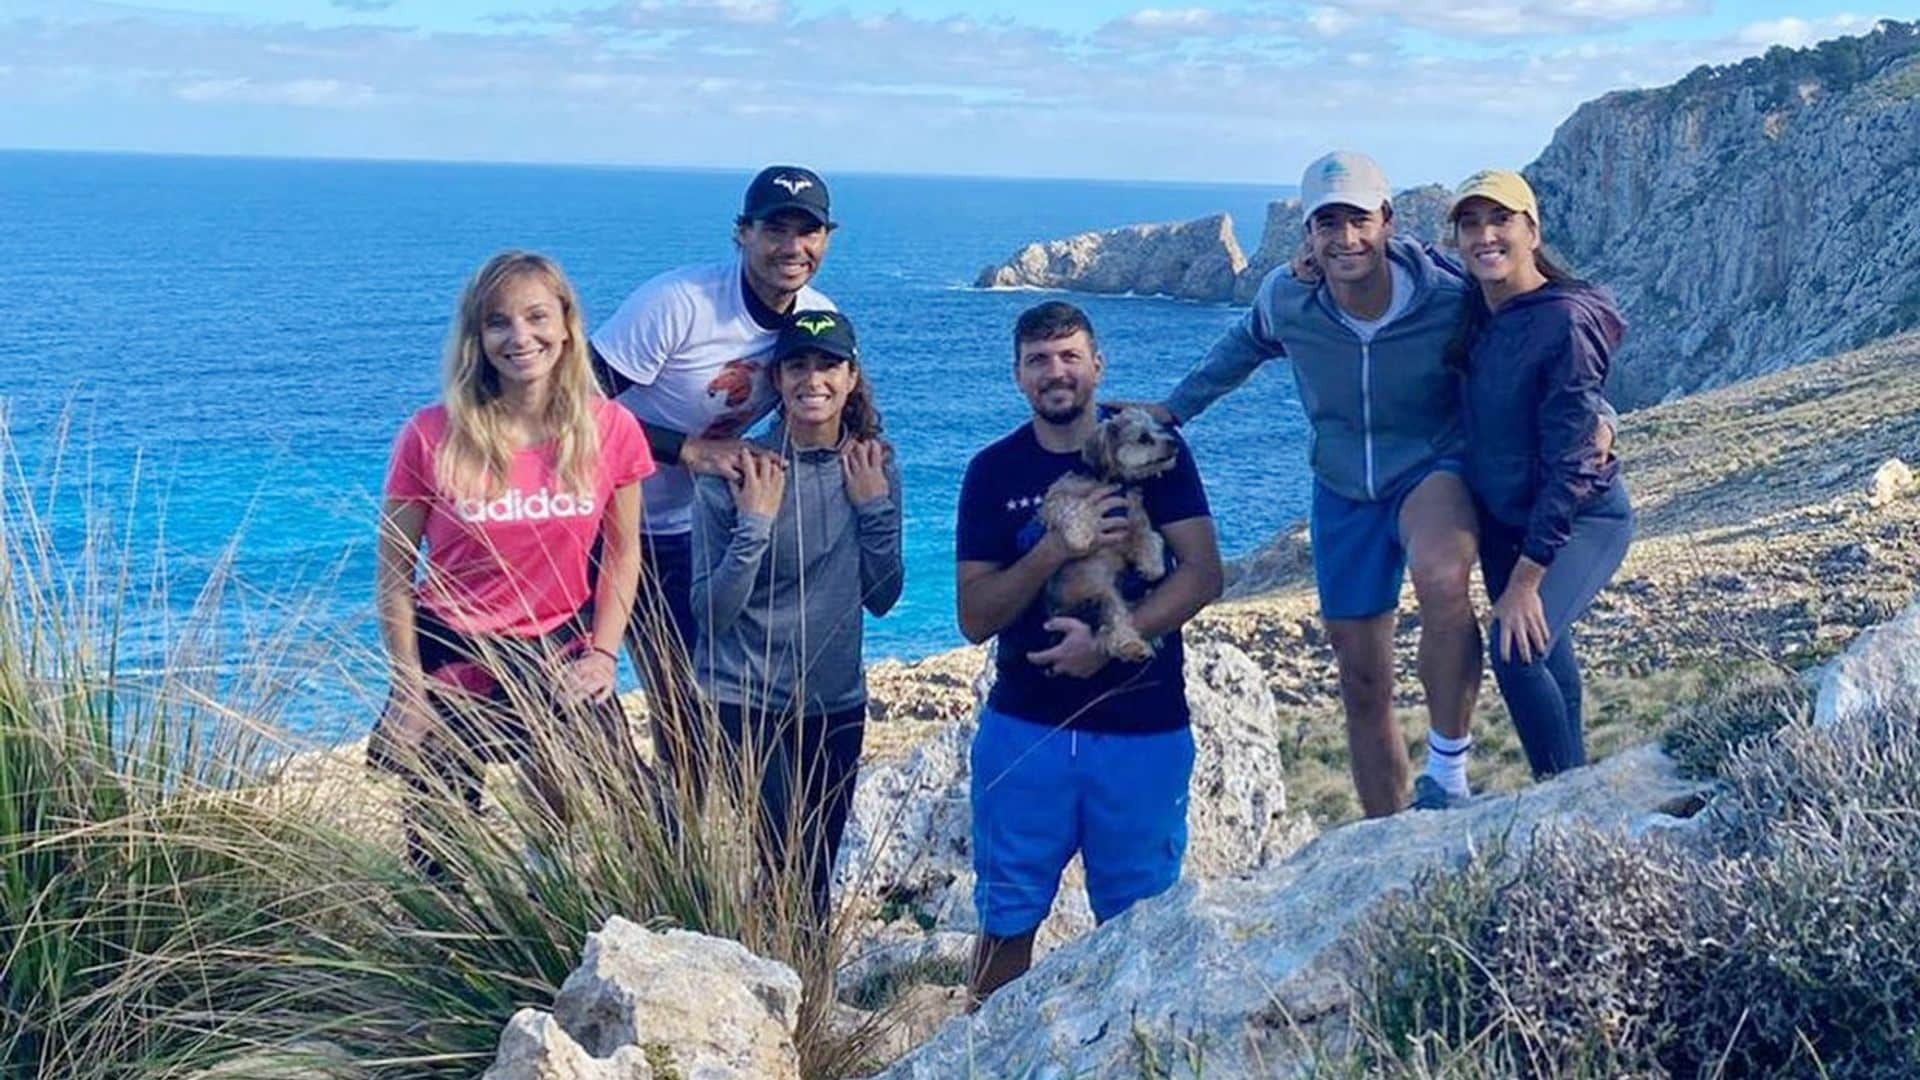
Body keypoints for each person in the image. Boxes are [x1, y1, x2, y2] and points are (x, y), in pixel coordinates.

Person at [1134, 151, 1483, 816]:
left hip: (1430, 466)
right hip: (1342, 488)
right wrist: (1174, 409)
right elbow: (1239, 349)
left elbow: (1528, 339)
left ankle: (1451, 774)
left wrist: (1593, 415)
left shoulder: (1447, 294)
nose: (1345, 239)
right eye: (1328, 224)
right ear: (1309, 236)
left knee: (1442, 576)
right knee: (1360, 677)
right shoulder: (1287, 299)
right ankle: (1388, 832)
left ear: (1387, 221)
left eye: (1358, 220)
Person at [956, 300, 1222, 1004]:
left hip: (1143, 729)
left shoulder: (1157, 450)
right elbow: (975, 618)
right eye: (1039, 360)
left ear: (1098, 365)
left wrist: (1107, 645)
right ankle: (982, 1054)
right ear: (1017, 375)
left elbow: (1202, 572)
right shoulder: (992, 472)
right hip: (1025, 731)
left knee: (1142, 925)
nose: (1056, 372)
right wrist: (1054, 549)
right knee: (1005, 921)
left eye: (1071, 356)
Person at [372, 250, 654, 876]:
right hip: (455, 653)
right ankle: (443, 959)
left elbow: (624, 550)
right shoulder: (429, 435)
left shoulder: (612, 429)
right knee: (436, 851)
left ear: (566, 326)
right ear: (477, 337)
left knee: (636, 808)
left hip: (558, 649)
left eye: (535, 317)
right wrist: (408, 690)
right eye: (498, 322)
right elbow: (394, 575)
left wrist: (604, 653)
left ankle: (547, 887)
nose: (519, 336)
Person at [590, 166, 837, 783]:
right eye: (775, 229)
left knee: (691, 712)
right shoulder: (680, 305)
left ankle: (673, 849)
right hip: (591, 524)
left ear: (827, 239)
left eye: (808, 232)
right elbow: (568, 410)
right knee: (577, 711)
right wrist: (689, 451)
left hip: (683, 534)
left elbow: (824, 410)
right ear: (742, 234)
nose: (792, 247)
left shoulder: (814, 318)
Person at [689, 310, 902, 923]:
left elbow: (884, 597)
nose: (814, 378)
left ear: (852, 376)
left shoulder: (874, 466)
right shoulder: (739, 471)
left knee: (811, 873)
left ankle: (793, 994)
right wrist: (754, 522)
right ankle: (798, 1004)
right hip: (745, 702)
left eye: (829, 364)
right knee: (792, 868)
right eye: (798, 365)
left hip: (835, 702)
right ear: (777, 379)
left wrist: (875, 509)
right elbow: (711, 613)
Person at [1446, 170, 1633, 779]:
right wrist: (1310, 258)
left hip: (1578, 519)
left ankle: (1563, 798)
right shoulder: (1480, 300)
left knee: (1516, 652)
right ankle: (1578, 788)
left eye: (1500, 220)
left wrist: (1527, 577)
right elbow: (1392, 256)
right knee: (1548, 655)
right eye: (1470, 224)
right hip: (1507, 521)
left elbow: (1576, 458)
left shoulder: (1565, 320)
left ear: (1532, 229)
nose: (1485, 235)